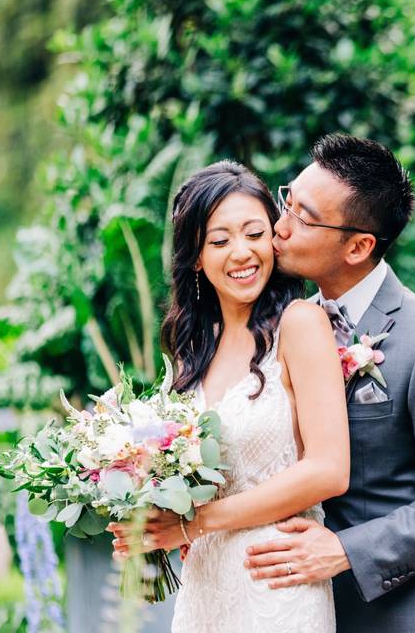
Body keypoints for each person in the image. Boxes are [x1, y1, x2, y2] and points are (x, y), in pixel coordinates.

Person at [244, 134, 415, 632]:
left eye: (303, 217)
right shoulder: (282, 328)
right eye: (287, 201)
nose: (279, 227)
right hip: (308, 612)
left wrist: (345, 550)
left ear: (359, 246)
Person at [109, 160, 347, 632]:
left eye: (255, 234)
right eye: (220, 241)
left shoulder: (300, 324)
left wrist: (194, 524)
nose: (242, 253)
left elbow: (329, 469)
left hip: (277, 581)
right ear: (196, 256)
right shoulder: (191, 348)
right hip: (204, 587)